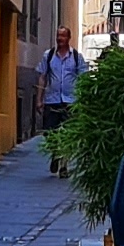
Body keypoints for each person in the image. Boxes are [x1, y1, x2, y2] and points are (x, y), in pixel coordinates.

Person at [40, 42, 82, 172]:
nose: (60, 39)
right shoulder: (48, 55)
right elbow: (42, 77)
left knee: (67, 134)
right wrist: (39, 99)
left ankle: (64, 166)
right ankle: (55, 153)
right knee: (50, 133)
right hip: (52, 101)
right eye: (59, 36)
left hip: (70, 101)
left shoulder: (76, 57)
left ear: (68, 38)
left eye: (63, 36)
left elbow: (83, 77)